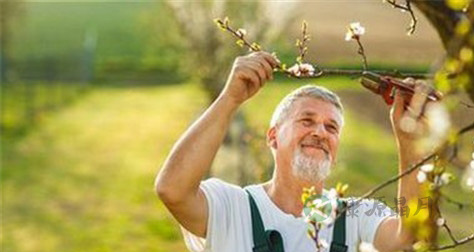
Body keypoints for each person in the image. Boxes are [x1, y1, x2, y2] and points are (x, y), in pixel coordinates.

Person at [155, 52, 426, 252]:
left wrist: (409, 138)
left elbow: (408, 236)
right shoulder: (231, 207)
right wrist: (230, 98)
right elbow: (172, 190)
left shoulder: (357, 215)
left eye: (331, 127)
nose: (320, 132)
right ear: (273, 137)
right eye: (306, 121)